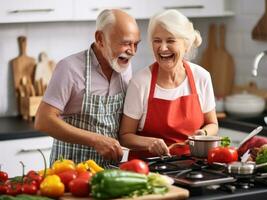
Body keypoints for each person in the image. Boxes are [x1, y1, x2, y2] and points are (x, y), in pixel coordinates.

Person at [35, 9, 141, 168]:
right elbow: (43, 120)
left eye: (136, 44)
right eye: (126, 43)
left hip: (111, 172)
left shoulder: (124, 67)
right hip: (71, 170)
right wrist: (95, 140)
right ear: (100, 39)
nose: (132, 51)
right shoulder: (70, 68)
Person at [119, 9, 218, 159]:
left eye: (170, 40)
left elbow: (212, 124)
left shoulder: (201, 77)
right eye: (157, 40)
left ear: (186, 45)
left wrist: (203, 133)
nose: (163, 48)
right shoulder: (140, 82)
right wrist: (149, 143)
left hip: (192, 166)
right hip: (148, 169)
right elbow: (125, 136)